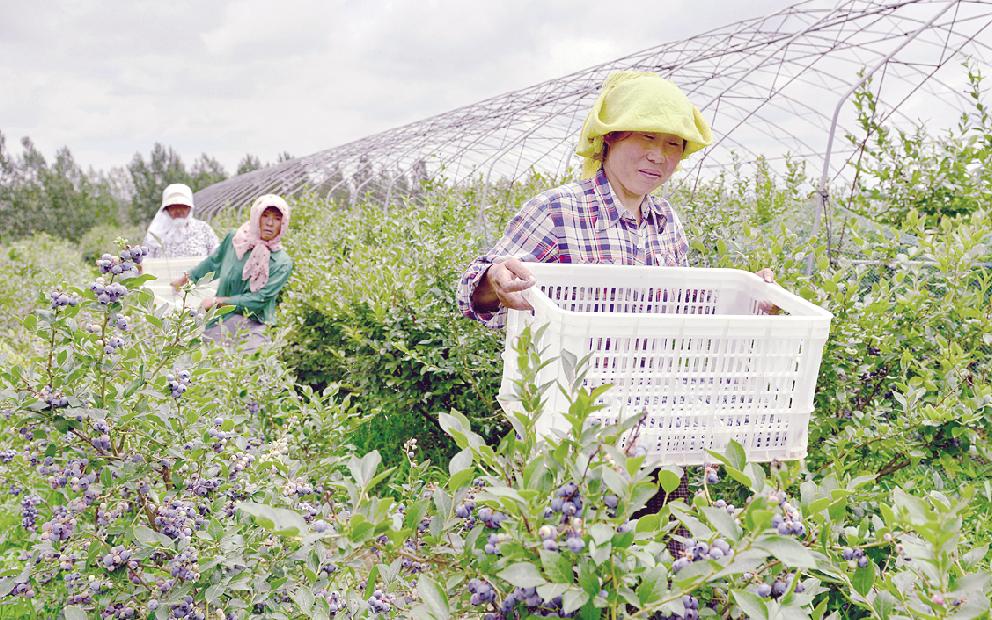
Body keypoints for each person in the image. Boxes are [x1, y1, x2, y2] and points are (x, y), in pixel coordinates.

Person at [456, 71, 774, 525]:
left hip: (657, 422)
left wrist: (751, 300)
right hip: (576, 429)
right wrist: (494, 281)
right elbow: (473, 291)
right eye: (647, 138)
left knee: (659, 561)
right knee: (576, 560)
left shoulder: (666, 221)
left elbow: (683, 315)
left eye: (673, 145)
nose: (658, 156)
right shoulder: (559, 210)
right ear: (608, 139)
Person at [170, 194, 293, 353]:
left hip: (255, 326)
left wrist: (217, 301)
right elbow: (214, 262)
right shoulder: (236, 240)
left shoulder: (282, 262)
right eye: (265, 215)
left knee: (252, 370)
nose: (269, 223)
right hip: (221, 321)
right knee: (212, 366)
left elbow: (257, 300)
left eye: (276, 218)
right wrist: (186, 278)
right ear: (256, 217)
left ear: (283, 224)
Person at [144, 183, 220, 258]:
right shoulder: (154, 233)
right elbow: (146, 262)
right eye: (173, 207)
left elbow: (217, 256)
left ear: (189, 208)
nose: (178, 211)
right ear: (166, 210)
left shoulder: (203, 229)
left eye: (183, 206)